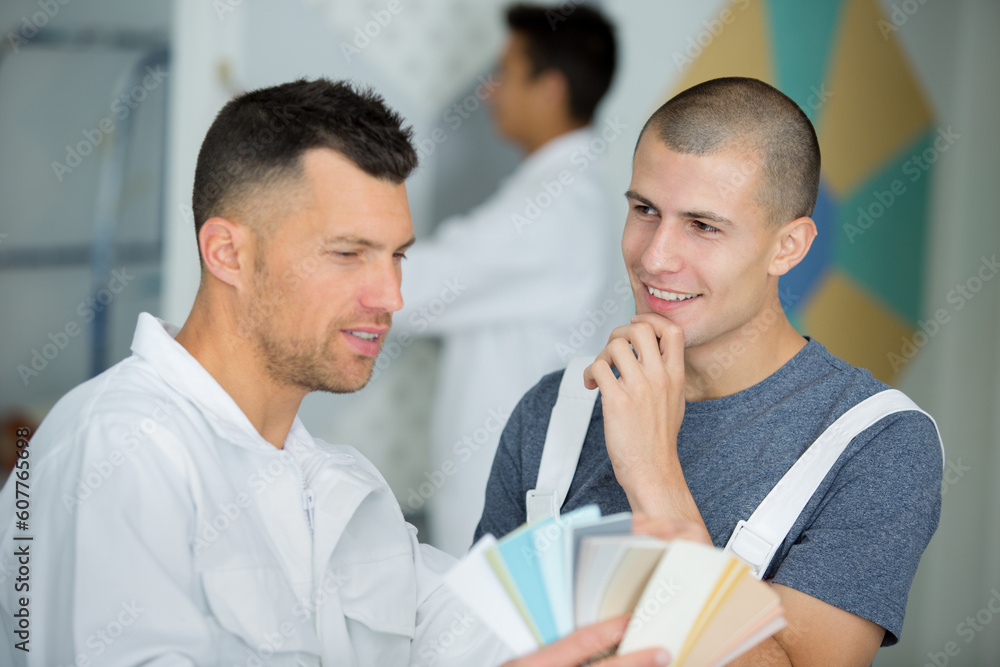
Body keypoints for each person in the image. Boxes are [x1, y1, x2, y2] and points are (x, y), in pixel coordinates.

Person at [0, 79, 672, 667]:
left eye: (397, 257)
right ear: (228, 252)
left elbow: (459, 622)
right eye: (349, 253)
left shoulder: (337, 485)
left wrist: (649, 512)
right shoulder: (120, 449)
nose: (391, 296)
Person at [475, 77, 944, 665]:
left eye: (703, 226)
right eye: (645, 210)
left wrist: (652, 475)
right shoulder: (553, 410)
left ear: (788, 247)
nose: (654, 257)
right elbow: (475, 644)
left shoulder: (879, 443)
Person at [397, 3, 621, 556]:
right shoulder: (565, 195)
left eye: (505, 74)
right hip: (529, 491)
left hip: (521, 501)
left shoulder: (553, 211)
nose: (489, 92)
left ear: (550, 89)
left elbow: (408, 289)